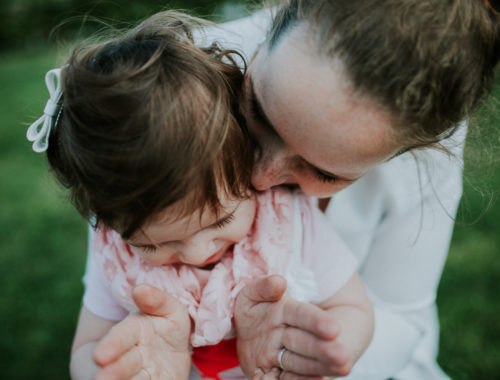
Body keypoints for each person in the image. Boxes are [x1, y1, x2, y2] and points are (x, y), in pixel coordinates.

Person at [98, 1, 500, 379]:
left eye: (323, 172)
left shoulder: (426, 159)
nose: (258, 178)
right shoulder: (171, 83)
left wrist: (311, 353)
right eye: (258, 112)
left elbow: (401, 314)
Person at [27, 11, 374, 380]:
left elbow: (352, 307)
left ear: (245, 162)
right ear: (109, 223)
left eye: (221, 219)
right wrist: (107, 369)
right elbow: (86, 347)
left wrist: (330, 349)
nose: (197, 252)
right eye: (152, 244)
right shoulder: (115, 256)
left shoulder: (287, 223)